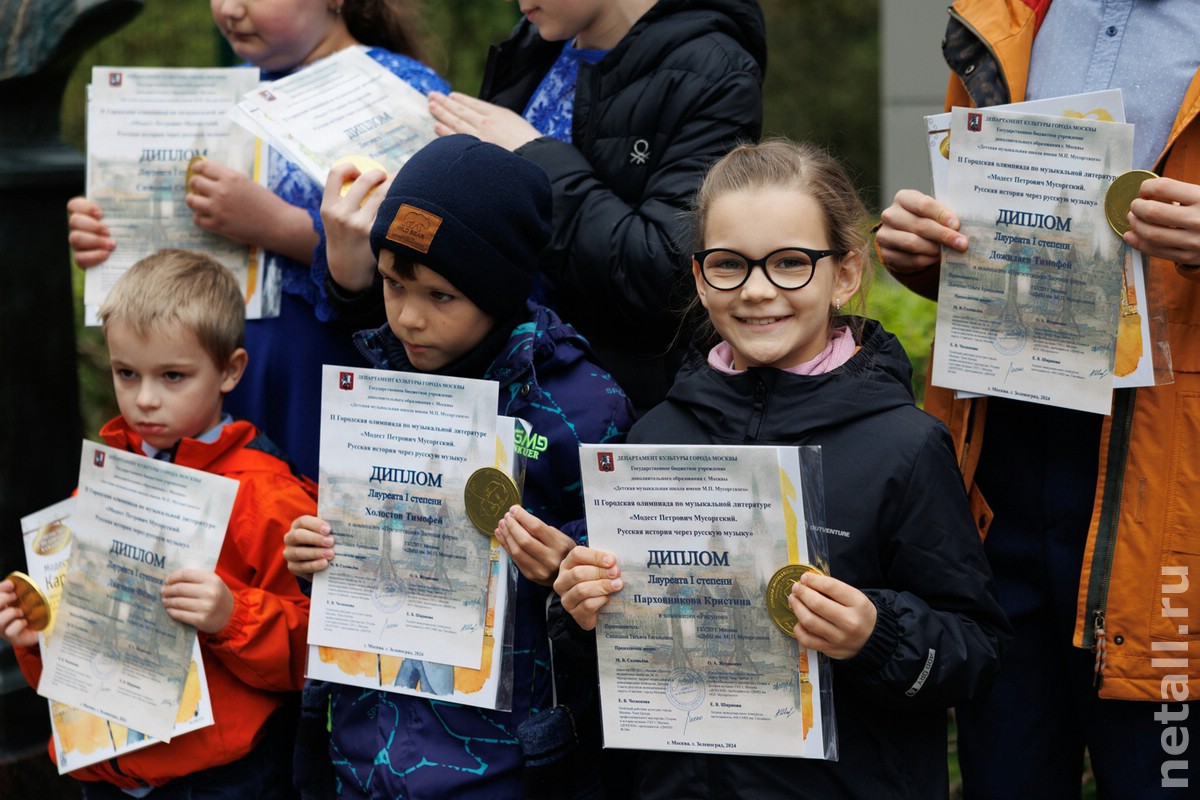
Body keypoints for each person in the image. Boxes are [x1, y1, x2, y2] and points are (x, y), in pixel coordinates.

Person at [546, 139, 1010, 799]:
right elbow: (614, 665)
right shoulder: (652, 438)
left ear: (845, 273)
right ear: (702, 279)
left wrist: (876, 635)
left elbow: (977, 651)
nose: (759, 290)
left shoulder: (905, 446)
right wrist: (582, 609)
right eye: (730, 265)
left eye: (791, 263)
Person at [874, 2, 1199, 796]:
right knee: (1004, 773)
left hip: (1168, 488)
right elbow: (985, 229)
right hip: (1003, 456)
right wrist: (928, 251)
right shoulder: (1002, 15)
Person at [282, 134, 636, 799]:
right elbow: (355, 555)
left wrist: (569, 567)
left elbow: (629, 598)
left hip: (507, 769)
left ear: (499, 290)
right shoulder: (372, 384)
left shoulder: (581, 408)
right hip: (364, 755)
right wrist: (314, 555)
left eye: (440, 296)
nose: (409, 317)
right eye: (393, 283)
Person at [65, 0, 449, 479]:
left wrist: (276, 226)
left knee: (302, 531)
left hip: (329, 380)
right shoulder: (226, 93)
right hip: (209, 383)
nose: (229, 8)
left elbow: (432, 259)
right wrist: (111, 239)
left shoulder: (402, 92)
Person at [0, 249, 315, 798]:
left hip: (219, 778)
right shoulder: (101, 483)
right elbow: (80, 651)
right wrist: (36, 635)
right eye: (126, 373)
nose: (144, 399)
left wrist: (232, 616)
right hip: (105, 768)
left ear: (230, 370)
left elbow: (318, 652)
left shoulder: (267, 495)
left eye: (173, 376)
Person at [426, 0, 767, 412]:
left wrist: (535, 158)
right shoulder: (539, 41)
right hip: (492, 390)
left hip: (606, 416)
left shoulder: (713, 69)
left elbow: (670, 275)